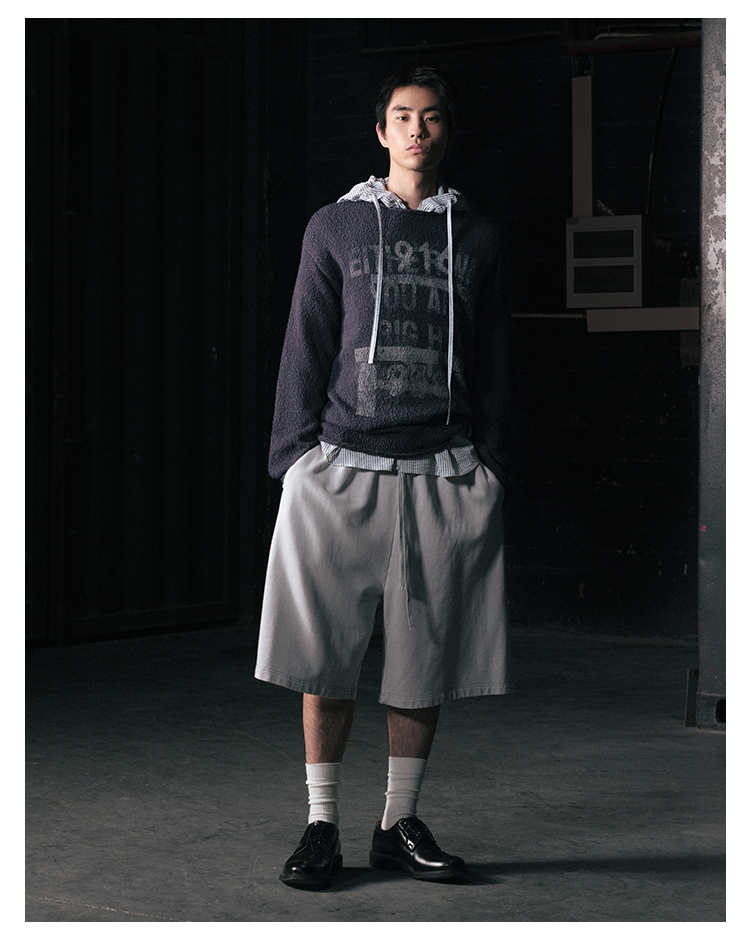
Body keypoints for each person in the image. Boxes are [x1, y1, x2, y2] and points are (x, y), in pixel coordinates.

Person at [255, 65, 514, 889]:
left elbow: (495, 358)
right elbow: (305, 340)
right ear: (380, 131)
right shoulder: (335, 225)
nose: (416, 130)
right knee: (323, 657)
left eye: (431, 118)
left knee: (422, 662)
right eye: (402, 117)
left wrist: (492, 465)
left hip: (443, 471)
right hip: (342, 467)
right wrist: (293, 459)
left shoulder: (476, 236)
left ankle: (397, 824)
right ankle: (321, 825)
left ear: (446, 132)